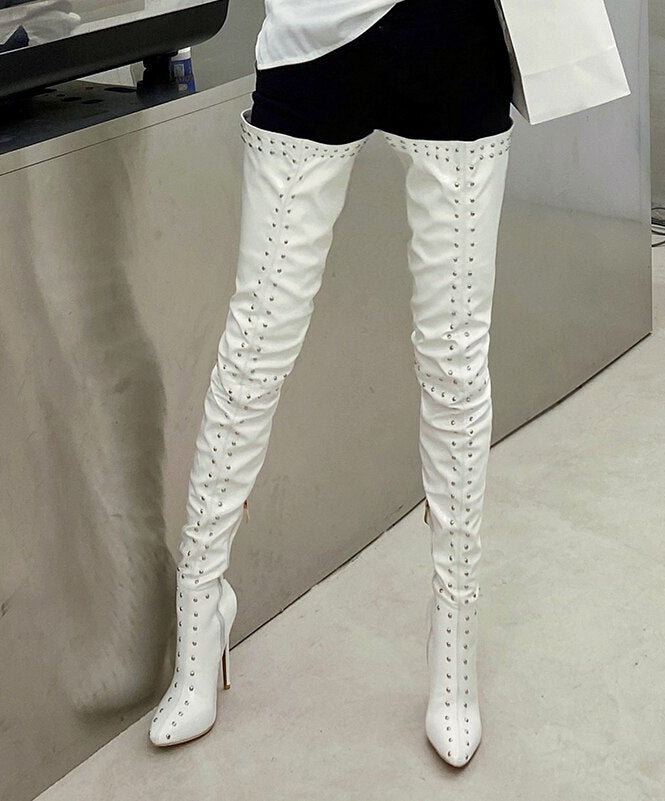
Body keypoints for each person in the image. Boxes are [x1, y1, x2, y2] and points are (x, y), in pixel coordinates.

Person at [149, 0, 514, 768]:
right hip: (312, 33)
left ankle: (454, 639)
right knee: (256, 343)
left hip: (453, 31)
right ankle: (200, 610)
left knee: (454, 360)